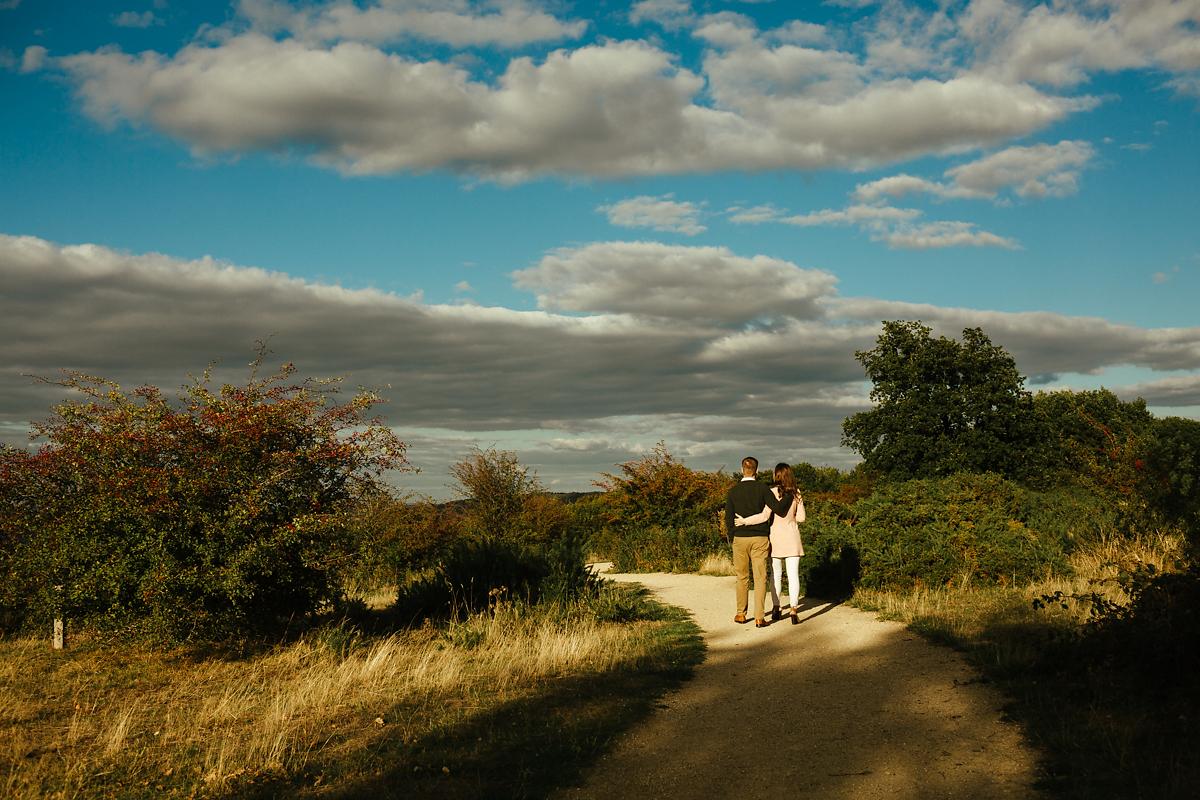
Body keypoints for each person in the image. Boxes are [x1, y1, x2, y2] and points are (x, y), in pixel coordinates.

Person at [725, 456, 795, 628]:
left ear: (742, 469)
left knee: (742, 577)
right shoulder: (763, 489)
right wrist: (790, 494)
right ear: (756, 471)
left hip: (740, 538)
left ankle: (741, 614)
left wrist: (733, 535)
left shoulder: (733, 491)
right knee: (760, 577)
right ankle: (759, 617)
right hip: (759, 538)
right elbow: (778, 509)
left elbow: (728, 518)